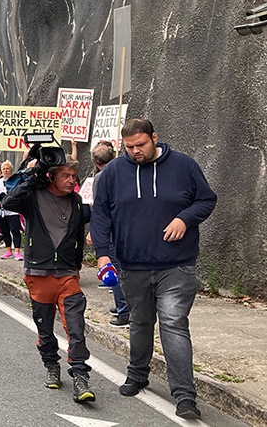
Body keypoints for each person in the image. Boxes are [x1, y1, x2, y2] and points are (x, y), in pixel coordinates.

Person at [90, 118, 216, 420]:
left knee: (173, 323)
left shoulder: (184, 166)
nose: (136, 151)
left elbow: (206, 200)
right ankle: (137, 374)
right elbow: (101, 214)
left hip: (177, 265)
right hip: (132, 265)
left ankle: (184, 396)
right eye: (129, 147)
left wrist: (185, 219)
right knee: (140, 322)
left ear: (154, 138)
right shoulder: (112, 173)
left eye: (141, 145)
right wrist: (103, 255)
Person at [1, 158, 95, 404]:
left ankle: (80, 376)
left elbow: (78, 234)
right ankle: (51, 365)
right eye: (66, 176)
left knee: (75, 326)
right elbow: (7, 202)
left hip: (67, 274)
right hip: (39, 272)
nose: (72, 181)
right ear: (51, 176)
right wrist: (33, 177)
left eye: (74, 176)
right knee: (45, 328)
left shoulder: (76, 201)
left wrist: (76, 265)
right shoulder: (33, 196)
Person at [86, 141, 130, 327]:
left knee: (114, 270)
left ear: (96, 162)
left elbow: (100, 208)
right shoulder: (125, 172)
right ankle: (124, 305)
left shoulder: (101, 177)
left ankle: (124, 311)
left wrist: (94, 231)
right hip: (127, 227)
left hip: (110, 230)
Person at [0, 161, 23, 260]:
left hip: (13, 211)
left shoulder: (16, 181)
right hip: (1, 210)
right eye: (4, 169)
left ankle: (17, 251)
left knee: (15, 230)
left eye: (7, 168)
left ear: (11, 170)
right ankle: (8, 251)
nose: (5, 171)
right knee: (5, 231)